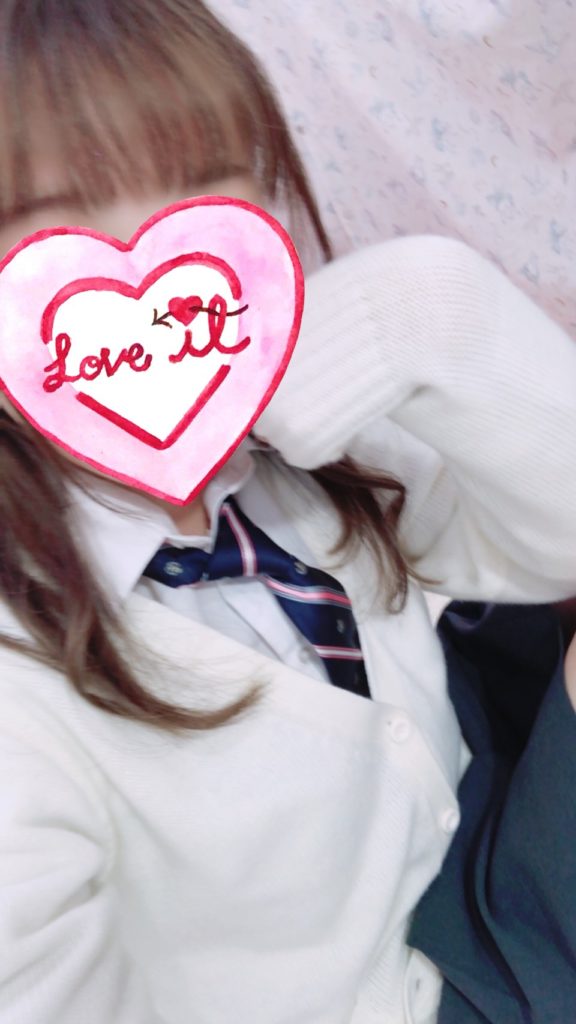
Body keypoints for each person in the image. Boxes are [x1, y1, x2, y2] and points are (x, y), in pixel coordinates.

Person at [0, 3, 575, 1023]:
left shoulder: (299, 458)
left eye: (206, 178)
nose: (152, 271)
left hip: (477, 857)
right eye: (56, 216)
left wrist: (449, 316)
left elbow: (559, 541)